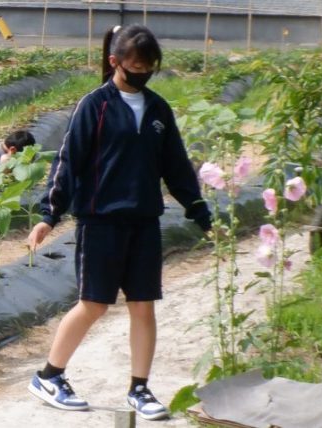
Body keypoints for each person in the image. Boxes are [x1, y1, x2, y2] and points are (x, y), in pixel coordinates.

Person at [25, 24, 211, 421]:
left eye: (149, 68)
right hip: (101, 222)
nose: (142, 74)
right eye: (136, 67)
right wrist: (49, 215)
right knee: (93, 304)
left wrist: (200, 211)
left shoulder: (158, 110)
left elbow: (177, 167)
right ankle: (49, 376)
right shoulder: (94, 106)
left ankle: (139, 388)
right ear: (115, 62)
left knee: (143, 306)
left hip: (144, 221)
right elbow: (68, 162)